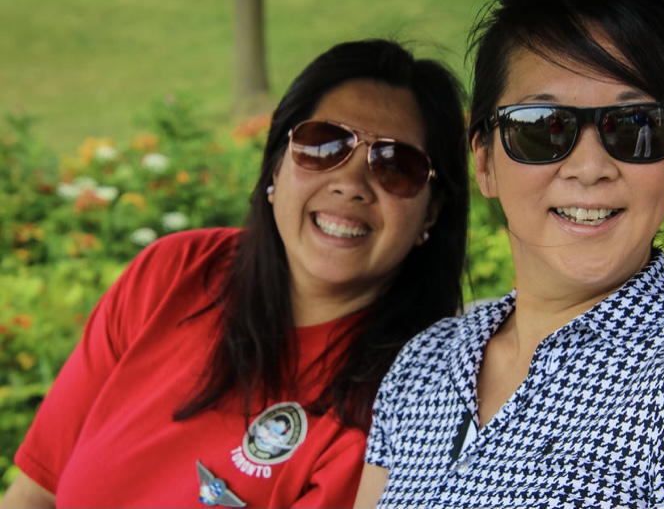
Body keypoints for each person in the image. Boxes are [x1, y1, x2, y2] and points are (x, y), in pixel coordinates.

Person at [355, 0, 664, 508]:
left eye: (634, 126)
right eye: (542, 127)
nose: (590, 167)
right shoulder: (424, 365)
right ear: (484, 162)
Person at [0, 38, 469, 508]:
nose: (350, 185)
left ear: (431, 212)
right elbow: (35, 493)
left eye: (396, 166)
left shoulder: (404, 410)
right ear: (276, 166)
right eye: (323, 145)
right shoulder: (174, 272)